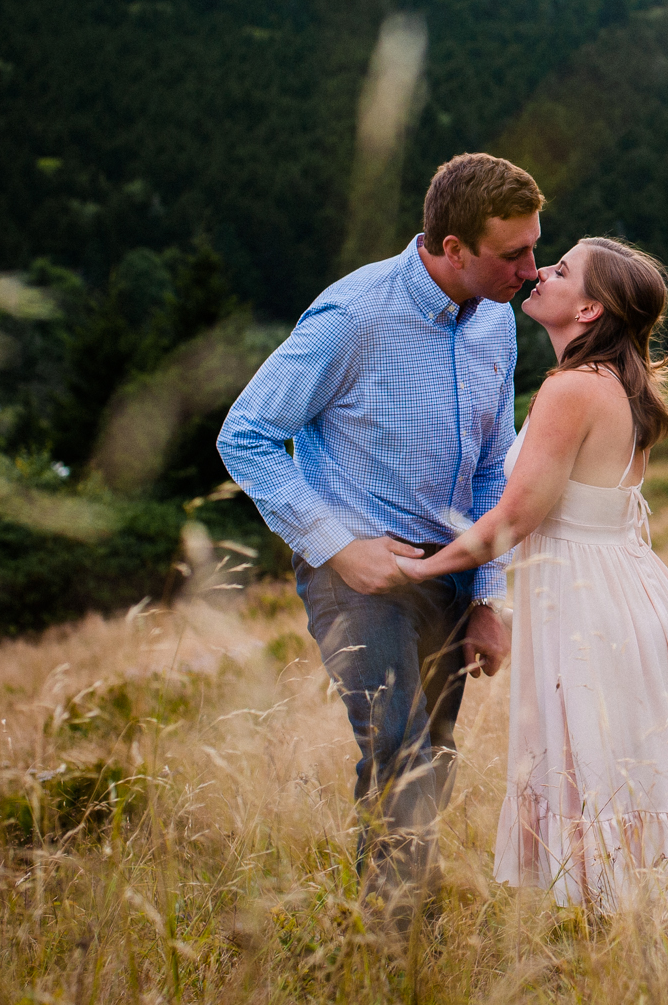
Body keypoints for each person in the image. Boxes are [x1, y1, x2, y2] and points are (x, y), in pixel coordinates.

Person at [215, 153, 543, 920]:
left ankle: (396, 923)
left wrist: (489, 596)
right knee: (400, 751)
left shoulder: (497, 317)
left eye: (535, 247)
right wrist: (337, 546)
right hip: (359, 576)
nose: (531, 270)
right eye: (512, 254)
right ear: (453, 248)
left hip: (456, 569)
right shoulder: (353, 315)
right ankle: (389, 944)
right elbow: (247, 434)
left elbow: (494, 465)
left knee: (436, 755)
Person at [400, 236, 668, 911]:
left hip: (586, 600)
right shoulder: (619, 383)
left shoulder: (569, 388)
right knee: (639, 771)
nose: (539, 272)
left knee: (598, 768)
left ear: (589, 308)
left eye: (559, 270)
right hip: (629, 588)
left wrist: (417, 566)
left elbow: (514, 518)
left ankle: (622, 943)